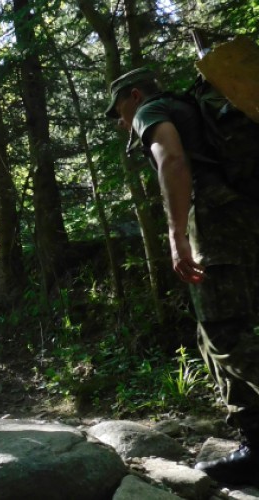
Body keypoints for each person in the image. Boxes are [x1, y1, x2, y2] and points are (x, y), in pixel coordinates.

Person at [105, 67, 259, 486]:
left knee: (225, 334)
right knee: (215, 337)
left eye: (119, 110)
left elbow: (171, 159)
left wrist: (176, 235)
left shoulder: (152, 110)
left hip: (216, 226)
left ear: (134, 95)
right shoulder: (199, 109)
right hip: (246, 222)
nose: (122, 122)